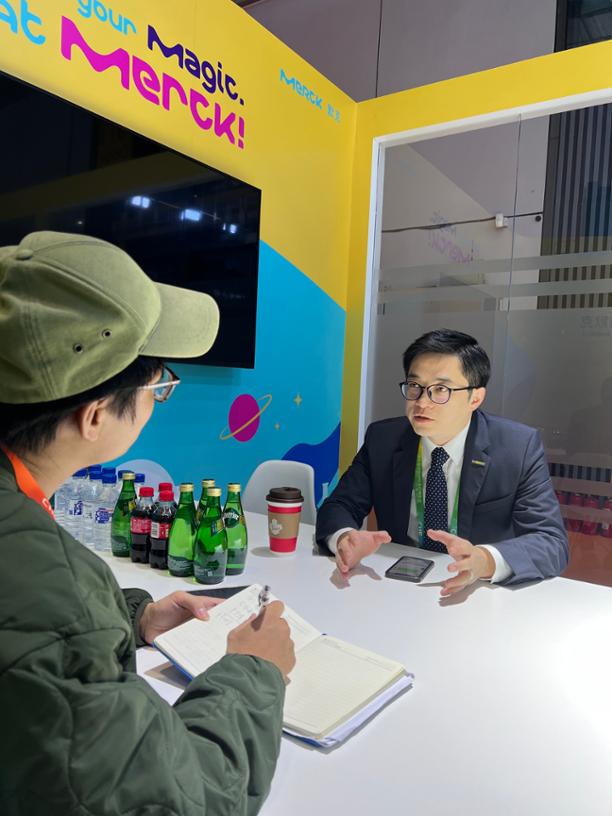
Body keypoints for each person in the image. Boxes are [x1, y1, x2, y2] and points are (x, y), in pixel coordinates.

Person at [0, 231, 295, 815]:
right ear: (94, 415)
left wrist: (132, 616)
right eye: (159, 385)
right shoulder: (47, 590)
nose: (158, 400)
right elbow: (181, 800)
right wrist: (254, 671)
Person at [316, 329, 568, 596]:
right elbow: (340, 505)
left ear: (475, 398)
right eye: (415, 386)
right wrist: (344, 538)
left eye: (440, 390)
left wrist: (485, 560)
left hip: (477, 592)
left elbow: (551, 542)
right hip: (396, 585)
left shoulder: (517, 447)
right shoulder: (384, 439)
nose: (422, 402)